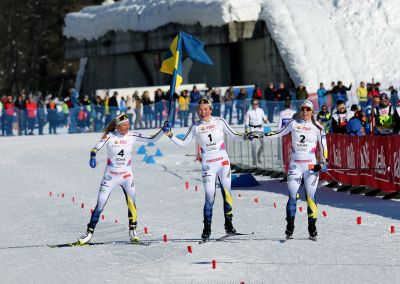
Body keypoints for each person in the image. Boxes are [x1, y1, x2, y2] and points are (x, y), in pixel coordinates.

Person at [162, 98, 249, 241]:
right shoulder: (196, 126)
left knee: (227, 193)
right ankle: (206, 229)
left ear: (210, 110)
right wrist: (170, 135)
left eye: (205, 109)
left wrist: (246, 136)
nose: (203, 112)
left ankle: (229, 224)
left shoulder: (219, 121)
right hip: (208, 165)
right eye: (200, 110)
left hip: (223, 162)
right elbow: (183, 143)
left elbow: (235, 135)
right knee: (209, 196)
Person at [78, 113, 164, 245]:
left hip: (126, 175)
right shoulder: (109, 136)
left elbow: (152, 139)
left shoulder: (133, 135)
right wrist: (92, 156)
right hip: (110, 175)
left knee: (132, 203)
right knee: (100, 204)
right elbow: (96, 148)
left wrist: (163, 130)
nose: (126, 127)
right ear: (117, 126)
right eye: (123, 125)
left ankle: (133, 231)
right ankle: (89, 233)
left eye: (128, 124)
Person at [260, 100, 328, 240]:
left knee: (310, 196)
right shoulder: (293, 124)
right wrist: (261, 134)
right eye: (302, 109)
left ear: (312, 111)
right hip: (295, 165)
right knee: (292, 195)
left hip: (310, 166)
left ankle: (312, 227)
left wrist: (323, 162)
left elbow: (324, 147)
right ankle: (290, 226)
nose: (305, 111)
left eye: (308, 109)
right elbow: (277, 133)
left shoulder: (318, 127)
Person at [245, 99, 268, 166]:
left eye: (256, 104)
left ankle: (258, 155)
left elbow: (264, 118)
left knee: (264, 144)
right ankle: (254, 161)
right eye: (254, 104)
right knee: (253, 147)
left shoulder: (261, 110)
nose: (255, 105)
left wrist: (266, 120)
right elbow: (246, 123)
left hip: (260, 130)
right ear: (252, 104)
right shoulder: (249, 112)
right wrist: (246, 131)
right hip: (252, 130)